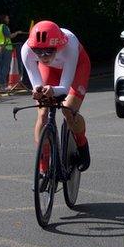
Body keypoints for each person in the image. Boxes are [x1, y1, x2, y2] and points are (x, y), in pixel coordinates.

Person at [21, 20, 92, 173]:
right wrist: (39, 91)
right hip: (50, 70)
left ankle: (82, 143)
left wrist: (53, 90)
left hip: (78, 66)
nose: (43, 56)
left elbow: (64, 89)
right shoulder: (26, 50)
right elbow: (37, 85)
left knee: (68, 109)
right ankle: (43, 163)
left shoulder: (70, 45)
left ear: (59, 46)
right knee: (42, 112)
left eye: (49, 51)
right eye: (38, 52)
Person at [0, 14, 25, 89]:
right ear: (4, 19)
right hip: (6, 48)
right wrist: (16, 33)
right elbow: (9, 36)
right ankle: (3, 84)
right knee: (5, 67)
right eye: (7, 18)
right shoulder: (4, 27)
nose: (8, 19)